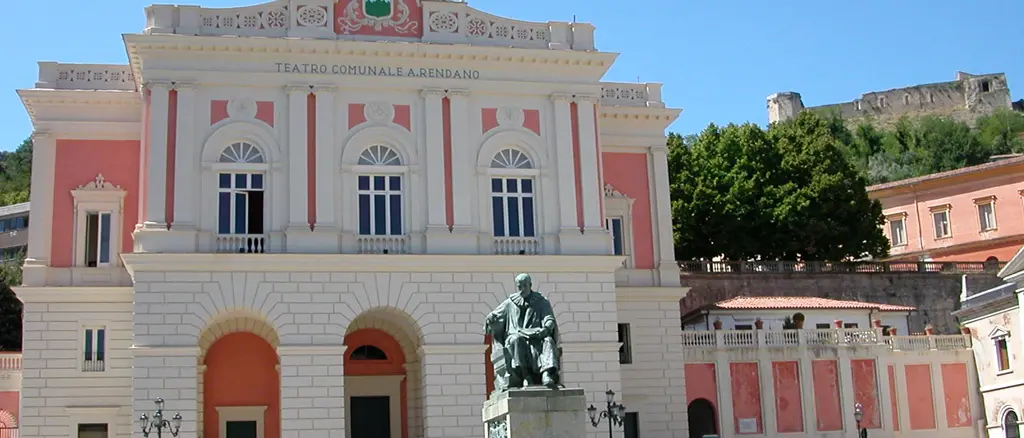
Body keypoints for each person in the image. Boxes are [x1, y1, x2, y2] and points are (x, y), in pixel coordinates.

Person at [485, 273, 561, 390]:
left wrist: (546, 328)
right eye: (520, 286)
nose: (523, 289)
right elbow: (494, 317)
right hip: (516, 335)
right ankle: (525, 375)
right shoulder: (510, 303)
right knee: (516, 340)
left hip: (537, 335)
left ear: (530, 285)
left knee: (548, 341)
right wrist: (491, 319)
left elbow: (549, 318)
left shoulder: (542, 301)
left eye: (525, 285)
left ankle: (546, 374)